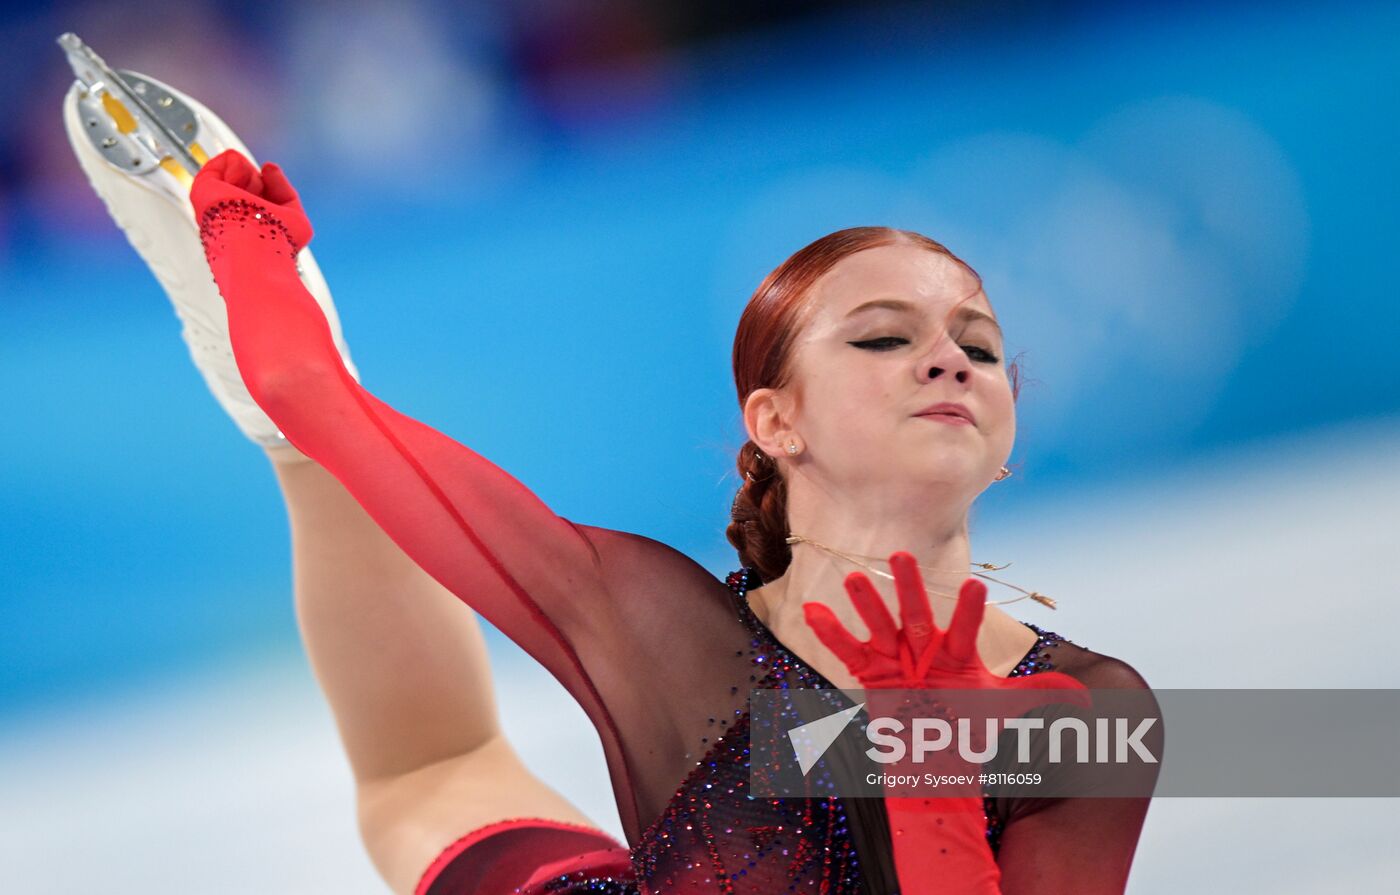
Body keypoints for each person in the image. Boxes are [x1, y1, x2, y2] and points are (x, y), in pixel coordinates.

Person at [71, 85, 1156, 889]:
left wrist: (924, 766)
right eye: (881, 338)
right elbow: (315, 392)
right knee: (429, 766)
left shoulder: (1092, 715)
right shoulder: (662, 622)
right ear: (776, 422)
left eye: (978, 344)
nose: (950, 361)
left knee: (431, 769)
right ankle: (282, 454)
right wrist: (244, 237)